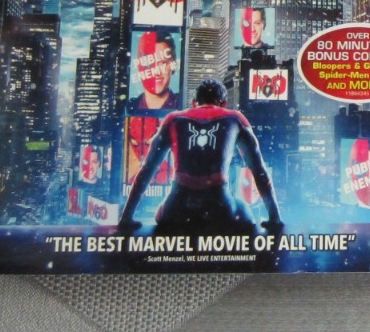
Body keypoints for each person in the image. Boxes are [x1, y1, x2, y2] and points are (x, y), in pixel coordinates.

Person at [117, 79, 284, 235]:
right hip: (220, 208)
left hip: (177, 209)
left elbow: (147, 170)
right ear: (224, 103)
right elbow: (259, 171)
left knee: (161, 213)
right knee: (244, 211)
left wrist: (126, 217)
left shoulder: (173, 119)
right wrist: (274, 218)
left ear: (194, 102)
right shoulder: (235, 118)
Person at [130, 31, 180, 112]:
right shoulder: (130, 107)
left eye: (163, 63)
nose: (156, 72)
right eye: (150, 63)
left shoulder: (184, 105)